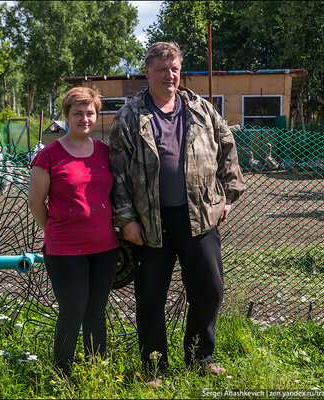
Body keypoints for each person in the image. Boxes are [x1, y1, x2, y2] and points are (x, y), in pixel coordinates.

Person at [109, 42, 245, 379]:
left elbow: (227, 148)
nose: (169, 75)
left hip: (198, 217)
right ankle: (153, 367)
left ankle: (201, 359)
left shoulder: (201, 109)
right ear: (148, 73)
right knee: (150, 297)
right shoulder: (130, 116)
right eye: (162, 69)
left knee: (209, 289)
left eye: (174, 69)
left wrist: (227, 197)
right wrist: (126, 219)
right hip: (150, 222)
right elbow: (118, 171)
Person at [28, 87, 119, 378]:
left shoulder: (105, 152)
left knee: (96, 311)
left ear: (97, 115)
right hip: (66, 251)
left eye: (90, 112)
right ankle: (63, 374)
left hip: (105, 248)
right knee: (73, 311)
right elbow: (35, 202)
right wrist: (55, 232)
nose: (84, 118)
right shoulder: (50, 156)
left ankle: (97, 371)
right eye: (77, 113)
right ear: (66, 116)